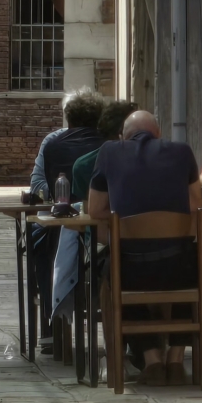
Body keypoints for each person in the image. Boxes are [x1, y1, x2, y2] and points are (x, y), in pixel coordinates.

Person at [87, 111, 202, 386]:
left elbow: (94, 209)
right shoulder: (182, 151)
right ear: (158, 133)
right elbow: (195, 204)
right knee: (195, 265)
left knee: (112, 269)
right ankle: (175, 361)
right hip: (179, 268)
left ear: (122, 137)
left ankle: (151, 361)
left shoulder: (109, 152)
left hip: (131, 269)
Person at [49, 100, 138, 322]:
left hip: (111, 245)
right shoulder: (149, 160)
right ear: (122, 135)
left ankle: (118, 350)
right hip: (126, 247)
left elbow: (91, 217)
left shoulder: (83, 164)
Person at [29, 89, 106, 335]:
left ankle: (51, 329)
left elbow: (42, 186)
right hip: (103, 228)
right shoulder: (111, 146)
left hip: (66, 225)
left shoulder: (52, 145)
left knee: (38, 240)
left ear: (68, 119)